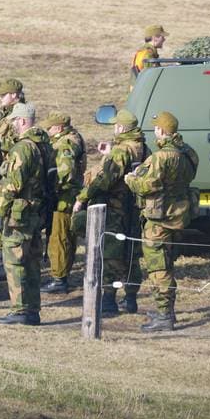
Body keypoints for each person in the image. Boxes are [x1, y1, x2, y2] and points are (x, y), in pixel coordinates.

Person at [124, 112, 198, 331]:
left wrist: (131, 179)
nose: (154, 130)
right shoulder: (187, 153)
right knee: (167, 265)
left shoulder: (161, 157)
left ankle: (164, 315)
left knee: (158, 269)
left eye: (156, 128)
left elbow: (149, 185)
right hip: (178, 215)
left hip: (160, 219)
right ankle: (167, 312)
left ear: (162, 131)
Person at [74, 109, 148, 315]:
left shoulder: (121, 151)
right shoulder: (143, 148)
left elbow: (104, 181)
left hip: (115, 209)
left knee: (110, 254)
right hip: (134, 208)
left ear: (122, 128)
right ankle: (131, 299)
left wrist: (83, 197)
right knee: (132, 254)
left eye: (116, 125)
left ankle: (108, 300)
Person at [0, 103, 52, 326]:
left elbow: (12, 184)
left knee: (16, 262)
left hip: (19, 215)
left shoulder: (23, 148)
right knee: (32, 262)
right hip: (35, 211)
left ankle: (20, 310)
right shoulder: (44, 145)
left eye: (15, 121)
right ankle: (32, 309)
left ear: (23, 121)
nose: (13, 125)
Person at [39, 112, 86, 295]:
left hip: (63, 198)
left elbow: (65, 171)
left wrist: (54, 188)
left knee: (59, 237)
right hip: (69, 196)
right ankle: (61, 274)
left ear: (58, 128)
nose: (48, 131)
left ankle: (59, 278)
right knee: (65, 236)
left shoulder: (64, 144)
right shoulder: (75, 138)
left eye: (50, 128)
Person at [0, 78, 25, 279]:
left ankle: (6, 261)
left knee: (8, 217)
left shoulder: (19, 117)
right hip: (0, 173)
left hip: (10, 173)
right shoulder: (4, 116)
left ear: (15, 96)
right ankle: (0, 257)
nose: (1, 98)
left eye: (4, 94)